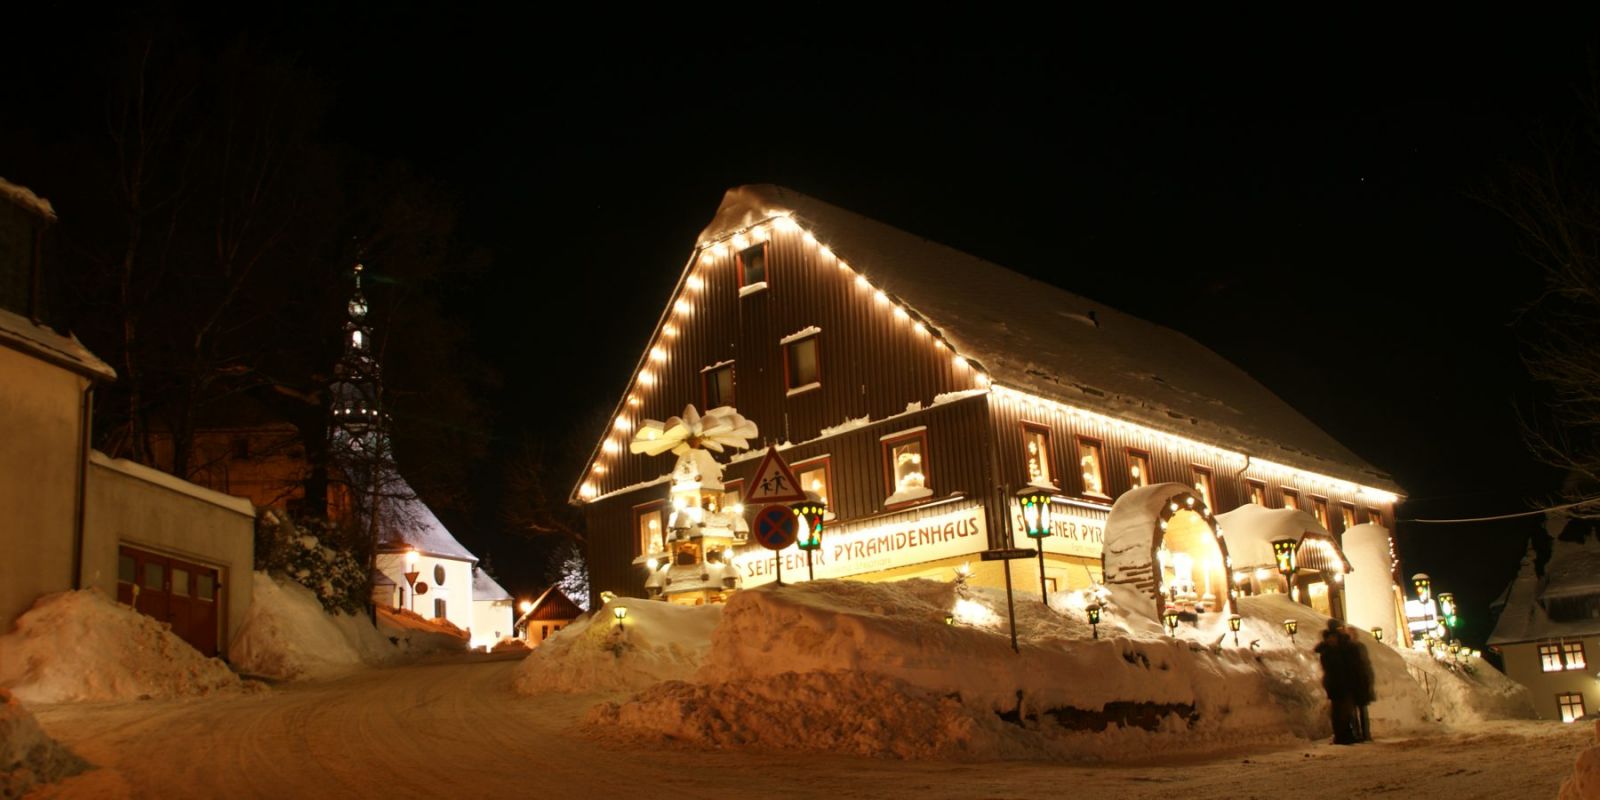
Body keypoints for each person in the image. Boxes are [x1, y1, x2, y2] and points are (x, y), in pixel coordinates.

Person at [1314, 619, 1358, 744]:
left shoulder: (1339, 647)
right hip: (1336, 683)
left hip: (1341, 682)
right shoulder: (1329, 651)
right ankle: (1341, 735)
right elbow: (1334, 666)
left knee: (1345, 710)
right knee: (1339, 711)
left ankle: (1346, 734)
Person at [1346, 627, 1377, 742]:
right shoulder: (1350, 648)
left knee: (1362, 710)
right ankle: (1358, 733)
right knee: (1354, 711)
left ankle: (1364, 734)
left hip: (1360, 682)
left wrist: (1368, 680)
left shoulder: (1358, 647)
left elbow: (1365, 665)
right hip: (1354, 682)